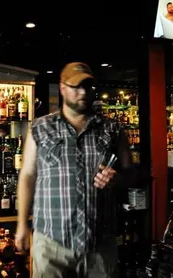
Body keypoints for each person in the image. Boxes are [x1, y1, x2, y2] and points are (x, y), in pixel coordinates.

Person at [16, 62, 137, 278]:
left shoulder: (113, 129)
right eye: (76, 86)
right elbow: (27, 175)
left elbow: (130, 173)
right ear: (62, 88)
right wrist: (22, 224)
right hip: (52, 243)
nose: (82, 92)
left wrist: (117, 180)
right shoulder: (40, 127)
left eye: (88, 86)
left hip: (99, 243)